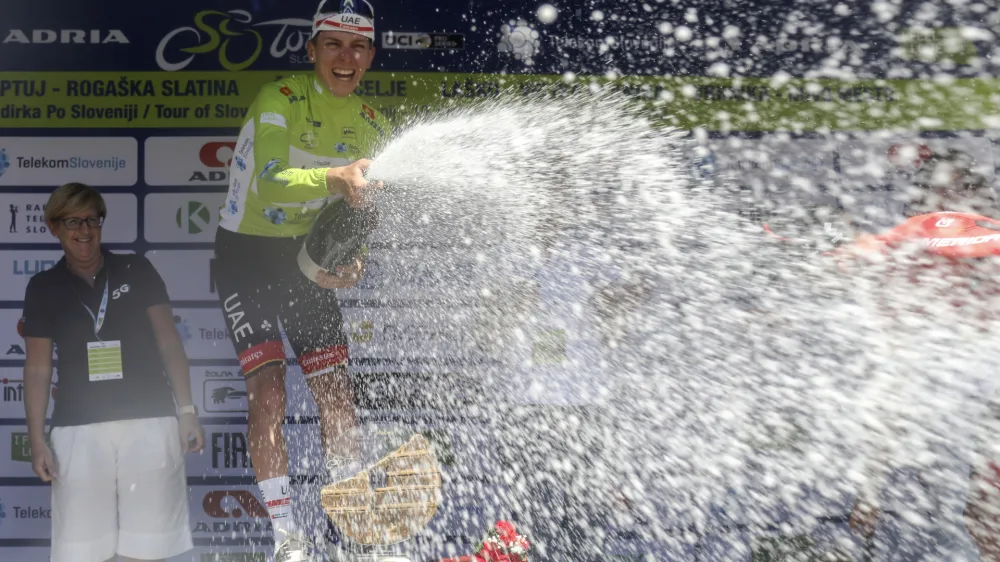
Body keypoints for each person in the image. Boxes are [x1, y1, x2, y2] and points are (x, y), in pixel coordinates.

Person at [211, 0, 393, 559]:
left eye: (358, 46)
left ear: (370, 57)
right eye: (333, 44)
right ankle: (287, 537)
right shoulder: (279, 98)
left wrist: (354, 259)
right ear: (311, 49)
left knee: (337, 395)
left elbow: (363, 212)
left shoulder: (374, 125)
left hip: (303, 261)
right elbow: (269, 182)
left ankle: (352, 532)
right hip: (245, 255)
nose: (346, 57)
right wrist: (334, 176)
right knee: (268, 393)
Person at [20, 182, 204, 562]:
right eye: (73, 221)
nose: (84, 230)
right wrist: (36, 440)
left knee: (148, 549)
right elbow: (37, 368)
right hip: (78, 427)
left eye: (92, 220)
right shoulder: (43, 287)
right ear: (54, 227)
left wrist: (187, 411)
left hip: (149, 419)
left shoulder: (137, 269)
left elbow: (169, 342)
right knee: (84, 552)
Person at [835, 154, 1000, 559]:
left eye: (962, 193)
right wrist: (869, 492)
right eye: (943, 195)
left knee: (985, 515)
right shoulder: (903, 261)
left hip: (980, 404)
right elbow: (890, 394)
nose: (952, 205)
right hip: (944, 412)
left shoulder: (988, 254)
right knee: (976, 517)